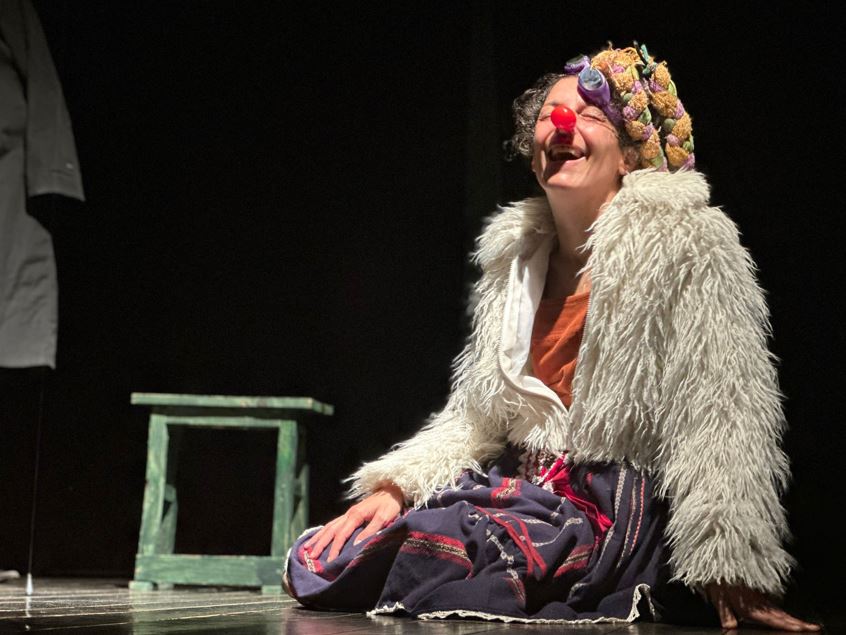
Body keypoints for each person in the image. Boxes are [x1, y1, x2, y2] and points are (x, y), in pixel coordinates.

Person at [284, 44, 821, 631]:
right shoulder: (514, 262)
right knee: (328, 557)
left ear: (629, 155)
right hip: (514, 485)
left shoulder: (689, 246)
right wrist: (395, 488)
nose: (563, 123)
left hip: (602, 503)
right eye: (548, 115)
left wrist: (730, 560)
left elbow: (723, 409)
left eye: (590, 115)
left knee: (459, 551)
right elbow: (479, 416)